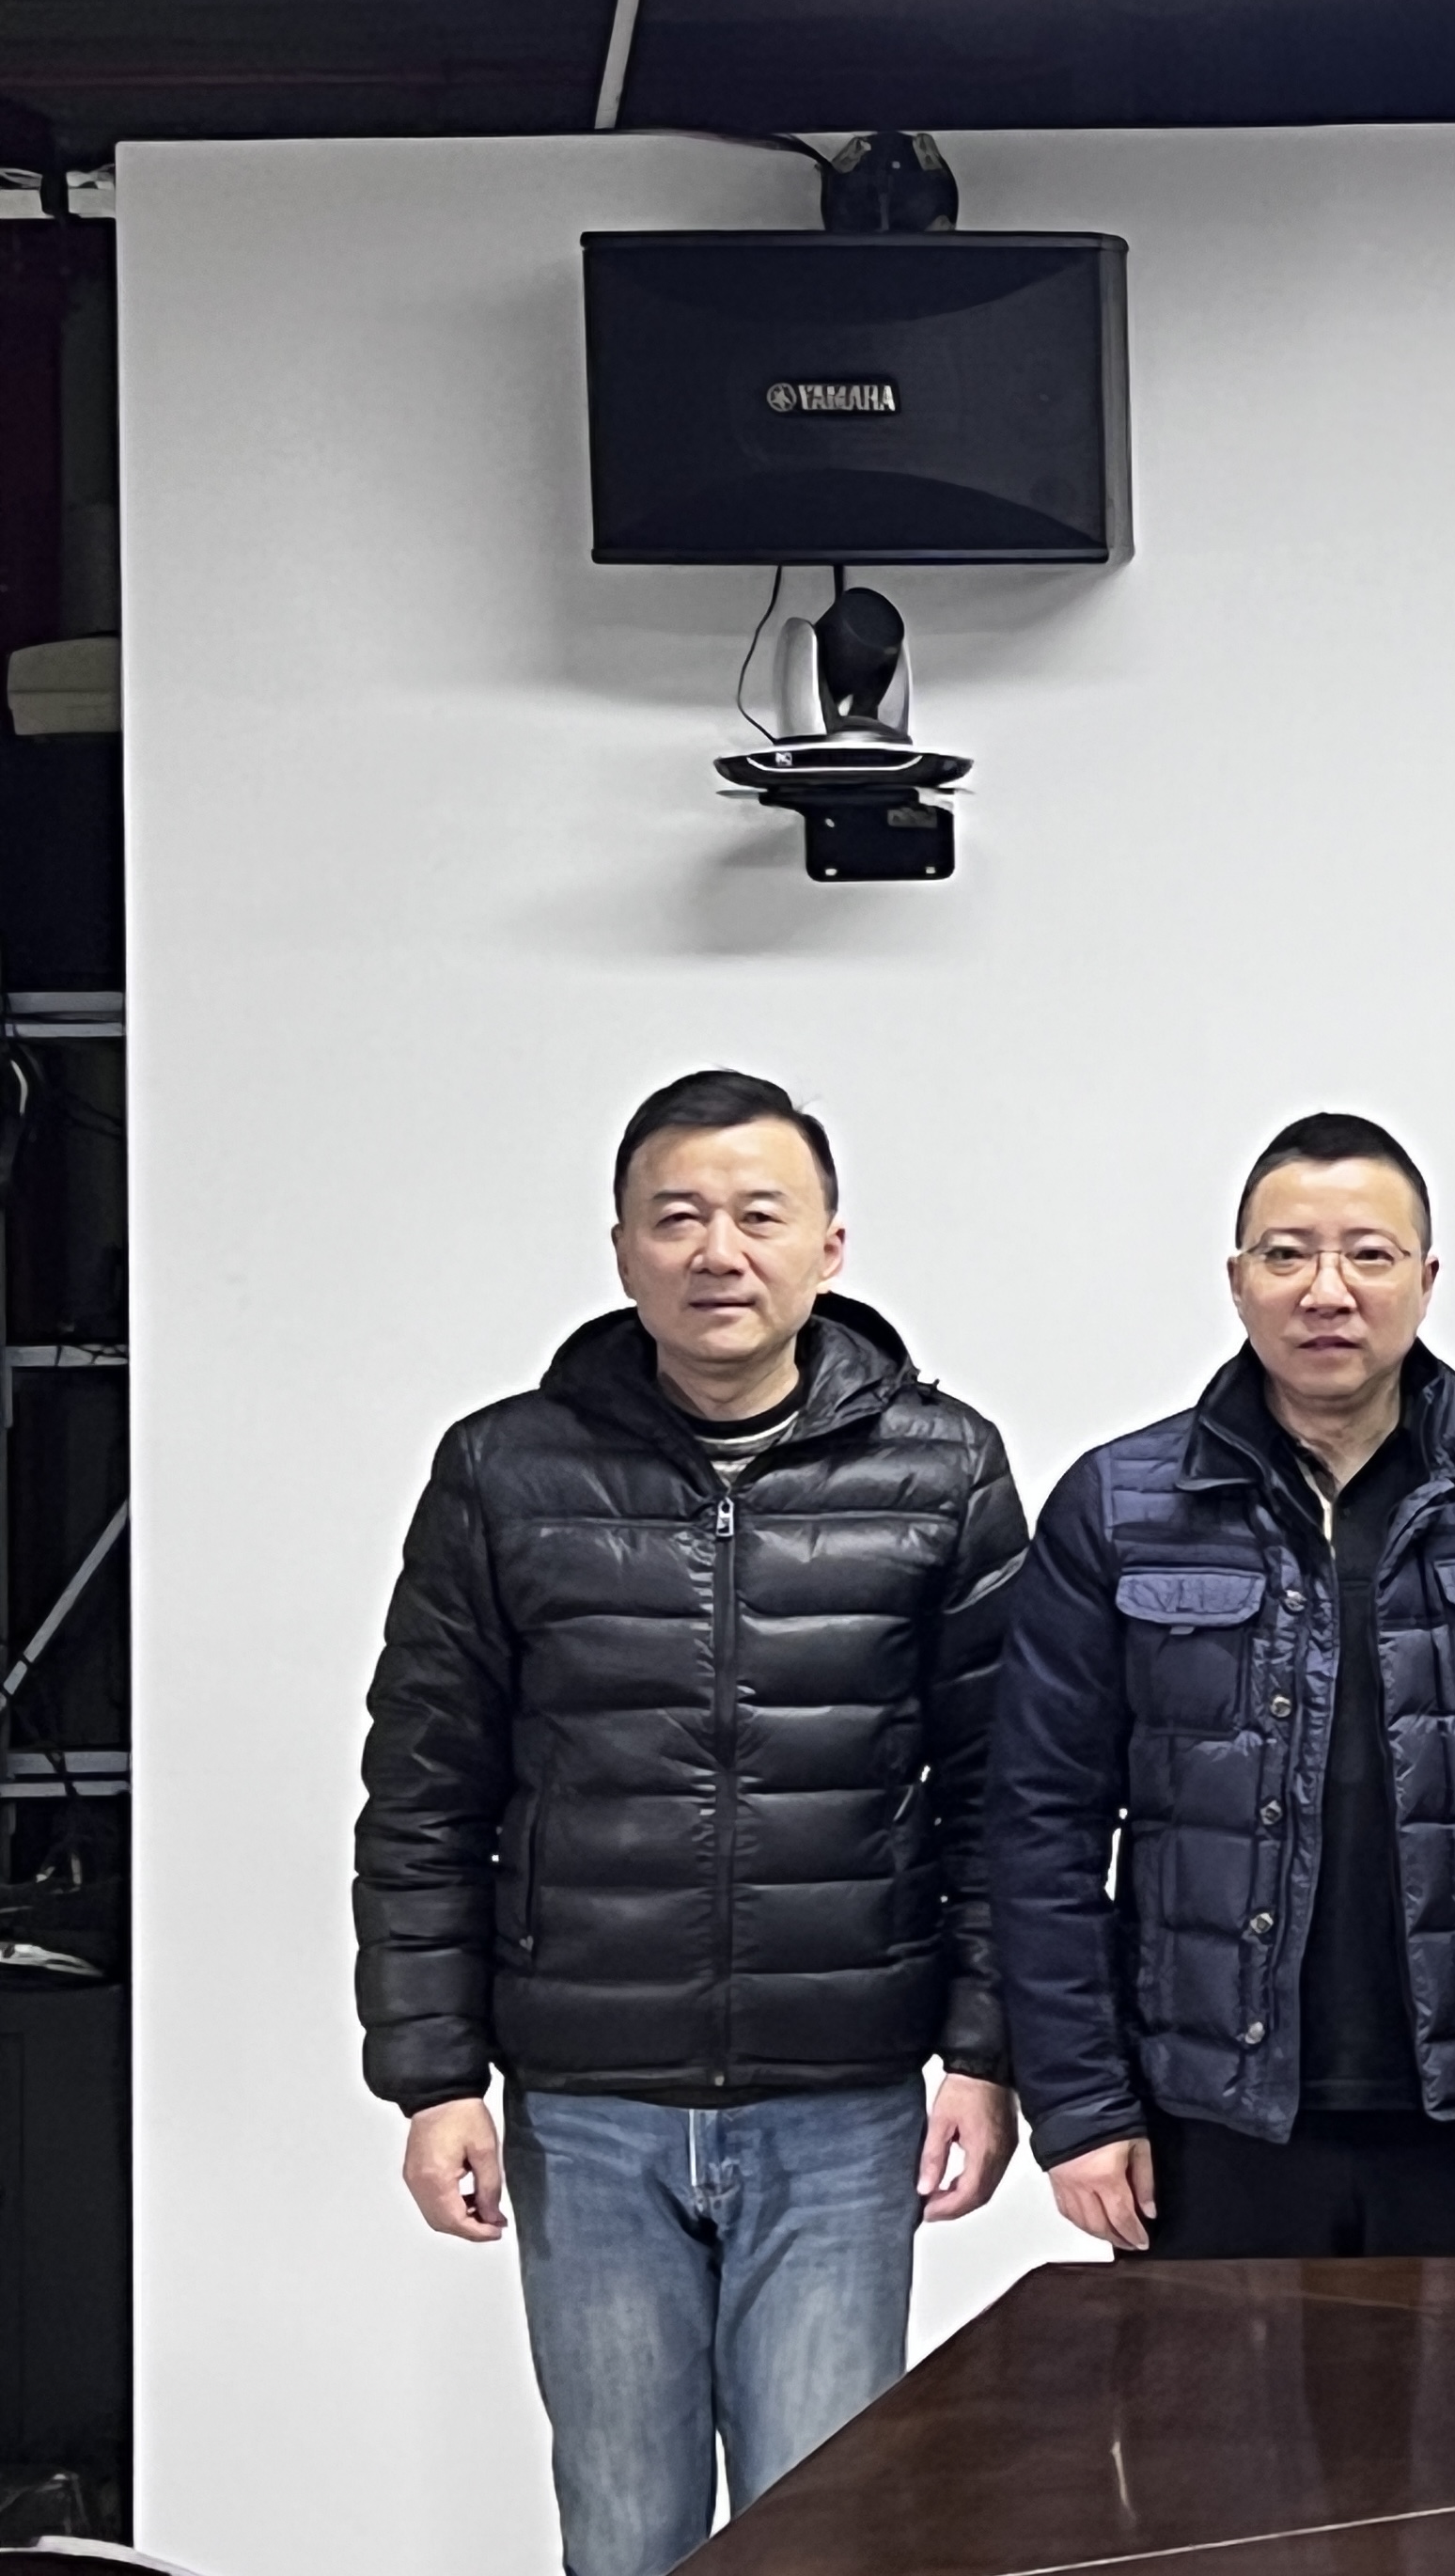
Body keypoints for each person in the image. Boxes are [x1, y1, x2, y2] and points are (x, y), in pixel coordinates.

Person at [353, 1069, 1027, 2576]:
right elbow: (425, 1794)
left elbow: (1002, 1795)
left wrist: (987, 2055)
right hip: (588, 2102)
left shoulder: (943, 1468)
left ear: (829, 1247)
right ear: (622, 1249)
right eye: (678, 1218)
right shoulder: (504, 1472)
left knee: (822, 2534)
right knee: (624, 2536)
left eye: (758, 1216)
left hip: (843, 2100)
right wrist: (433, 2080)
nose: (718, 1251)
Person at [987, 1111, 1455, 2258]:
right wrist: (1080, 2104)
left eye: (1369, 1254)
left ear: (1426, 1279)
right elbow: (1041, 1822)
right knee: (1203, 2394)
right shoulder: (1120, 1507)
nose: (1327, 1290)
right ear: (1238, 1281)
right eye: (1287, 1254)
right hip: (1205, 2123)